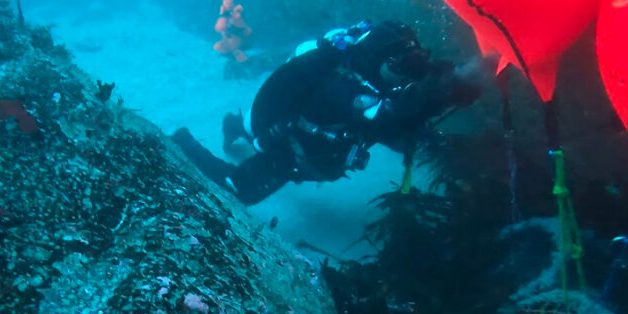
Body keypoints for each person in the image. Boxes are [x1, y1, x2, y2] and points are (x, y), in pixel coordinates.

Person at [172, 20, 497, 205]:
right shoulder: (344, 90)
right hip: (291, 146)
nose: (407, 72)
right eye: (401, 64)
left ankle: (235, 125)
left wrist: (467, 72)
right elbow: (390, 117)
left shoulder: (364, 69)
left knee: (251, 128)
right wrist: (454, 88)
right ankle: (181, 141)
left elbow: (400, 113)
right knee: (238, 189)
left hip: (294, 123)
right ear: (381, 59)